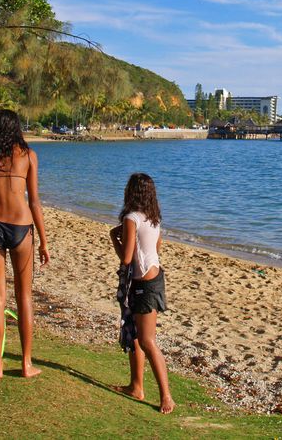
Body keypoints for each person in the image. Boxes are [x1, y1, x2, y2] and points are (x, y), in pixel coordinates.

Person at [0, 109, 50, 379]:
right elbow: (35, 202)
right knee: (24, 297)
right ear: (16, 128)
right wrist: (44, 242)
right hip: (21, 228)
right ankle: (26, 364)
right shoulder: (28, 155)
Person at [109, 173, 175, 414]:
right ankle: (136, 386)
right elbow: (155, 248)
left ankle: (166, 396)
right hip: (155, 279)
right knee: (135, 336)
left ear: (130, 192)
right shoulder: (154, 218)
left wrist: (113, 239)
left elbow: (126, 259)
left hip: (142, 285)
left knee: (146, 341)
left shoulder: (131, 218)